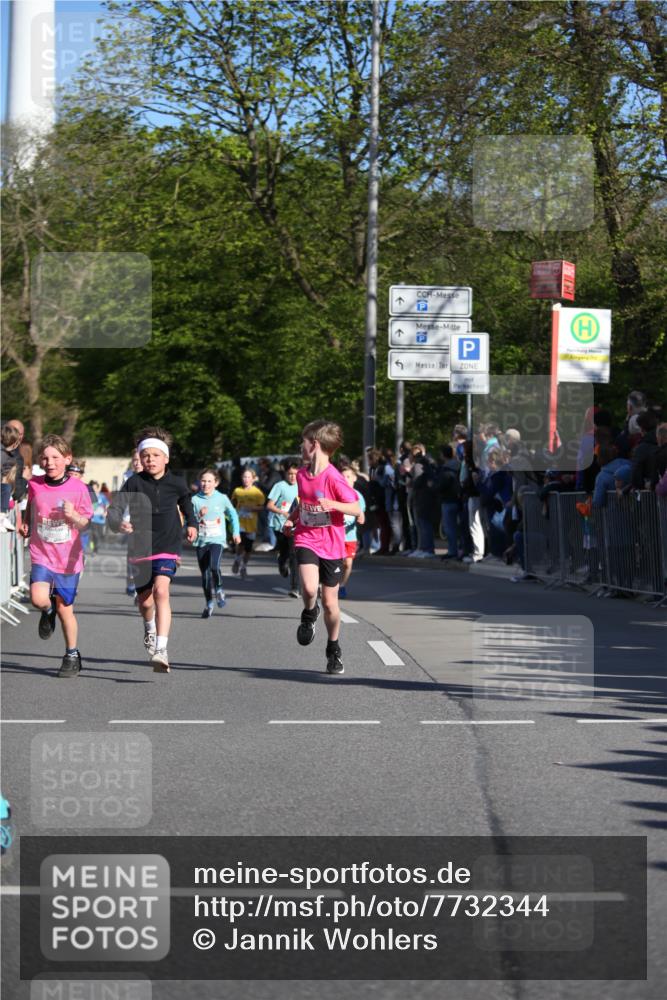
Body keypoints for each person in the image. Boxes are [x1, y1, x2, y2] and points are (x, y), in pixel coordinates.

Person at [107, 427, 197, 673]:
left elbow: (187, 505)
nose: (150, 460)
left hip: (168, 544)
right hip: (141, 546)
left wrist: (192, 524)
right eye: (145, 455)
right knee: (145, 602)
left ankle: (161, 648)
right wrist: (117, 522)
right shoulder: (134, 482)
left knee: (161, 591)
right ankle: (149, 627)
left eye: (156, 455)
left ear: (166, 458)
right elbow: (115, 509)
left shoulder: (177, 483)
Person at [284, 420, 361, 675]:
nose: (300, 446)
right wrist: (292, 518)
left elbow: (356, 508)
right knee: (307, 587)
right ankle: (308, 613)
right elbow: (303, 503)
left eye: (303, 442)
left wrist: (333, 504)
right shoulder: (304, 475)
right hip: (306, 538)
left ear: (314, 445)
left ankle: (333, 648)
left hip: (332, 545)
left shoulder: (335, 478)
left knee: (330, 603)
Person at [20, 434, 93, 678]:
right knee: (39, 599)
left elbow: (85, 524)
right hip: (41, 553)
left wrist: (73, 516)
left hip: (68, 559)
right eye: (45, 458)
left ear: (67, 459)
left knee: (66, 610)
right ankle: (46, 610)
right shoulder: (35, 484)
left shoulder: (78, 488)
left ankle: (72, 654)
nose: (49, 462)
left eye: (55, 457)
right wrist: (27, 524)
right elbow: (31, 504)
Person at [191, 467, 240, 618]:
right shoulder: (194, 500)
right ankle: (209, 603)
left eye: (209, 481)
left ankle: (219, 589)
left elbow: (233, 514)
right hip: (201, 541)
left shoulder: (222, 498)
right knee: (205, 575)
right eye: (203, 481)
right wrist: (199, 515)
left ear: (216, 483)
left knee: (214, 566)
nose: (205, 484)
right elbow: (189, 520)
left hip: (217, 540)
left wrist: (236, 532)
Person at [266, 463, 300, 596]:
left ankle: (295, 587)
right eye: (290, 474)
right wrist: (283, 512)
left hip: (294, 525)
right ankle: (281, 562)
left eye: (295, 474)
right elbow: (269, 505)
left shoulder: (302, 486)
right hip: (279, 524)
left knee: (294, 555)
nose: (293, 477)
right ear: (286, 474)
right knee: (284, 551)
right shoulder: (279, 486)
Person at [231, 468, 266, 579]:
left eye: (248, 477)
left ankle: (244, 566)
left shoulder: (257, 492)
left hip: (251, 524)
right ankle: (237, 560)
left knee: (248, 548)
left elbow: (262, 507)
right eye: (244, 477)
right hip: (240, 523)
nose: (246, 479)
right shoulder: (237, 491)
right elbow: (232, 503)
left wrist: (252, 508)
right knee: (240, 544)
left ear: (253, 479)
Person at [339, 464, 366, 597]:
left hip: (349, 536)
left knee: (347, 563)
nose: (345, 479)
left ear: (354, 478)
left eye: (348, 477)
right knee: (333, 563)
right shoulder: (335, 494)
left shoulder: (358, 496)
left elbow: (360, 513)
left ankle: (342, 585)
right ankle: (327, 584)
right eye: (342, 477)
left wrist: (356, 517)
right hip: (335, 536)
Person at [88, 480, 110, 553]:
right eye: (92, 488)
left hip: (100, 519)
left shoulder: (102, 496)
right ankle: (93, 548)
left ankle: (96, 547)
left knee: (99, 535)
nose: (94, 490)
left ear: (98, 488)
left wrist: (105, 512)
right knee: (94, 535)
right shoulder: (88, 496)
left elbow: (107, 504)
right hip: (92, 519)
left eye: (95, 488)